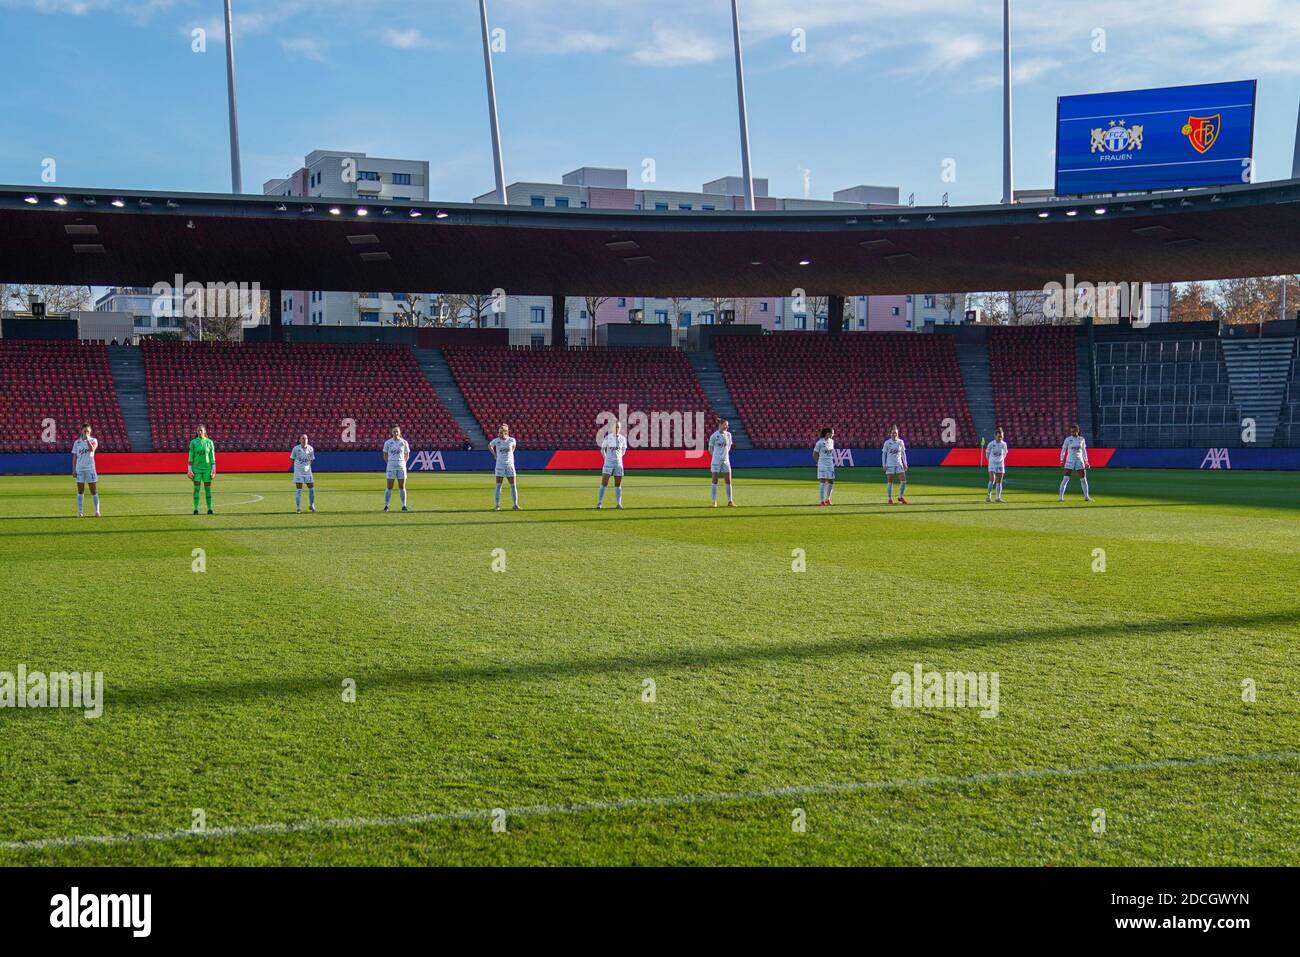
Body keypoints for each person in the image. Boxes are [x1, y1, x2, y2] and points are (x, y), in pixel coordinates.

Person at [71, 423, 100, 518]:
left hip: (90, 468)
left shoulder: (93, 440)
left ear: (90, 431)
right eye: (84, 431)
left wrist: (87, 439)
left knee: (93, 490)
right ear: (81, 431)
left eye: (87, 431)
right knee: (80, 491)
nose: (86, 432)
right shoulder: (77, 442)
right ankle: (80, 511)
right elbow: (75, 456)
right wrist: (74, 469)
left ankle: (97, 511)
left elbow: (92, 450)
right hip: (79, 469)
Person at [597, 421, 628, 509]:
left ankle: (619, 503)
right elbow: (602, 449)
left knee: (618, 484)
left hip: (618, 464)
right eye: (615, 427)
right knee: (604, 483)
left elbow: (623, 450)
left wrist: (618, 458)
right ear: (612, 428)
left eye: (618, 427)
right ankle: (599, 503)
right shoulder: (608, 438)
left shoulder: (622, 439)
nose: (617, 428)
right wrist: (606, 458)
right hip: (608, 464)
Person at [489, 423, 520, 510]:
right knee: (498, 485)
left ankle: (515, 504)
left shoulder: (512, 440)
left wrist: (510, 455)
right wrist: (494, 455)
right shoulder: (496, 441)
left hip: (510, 465)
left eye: (502, 431)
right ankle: (497, 505)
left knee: (513, 485)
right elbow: (489, 446)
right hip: (500, 465)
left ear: (506, 431)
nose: (500, 433)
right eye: (499, 431)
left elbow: (513, 448)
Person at [1059, 424, 1092, 502]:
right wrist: (1061, 460)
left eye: (1074, 431)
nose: (1072, 433)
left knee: (1083, 479)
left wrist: (1086, 461)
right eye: (1071, 432)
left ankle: (1086, 497)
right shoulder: (1067, 439)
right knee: (1065, 479)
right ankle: (1061, 497)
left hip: (1079, 461)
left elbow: (1084, 451)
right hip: (1069, 461)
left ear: (1077, 431)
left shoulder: (1082, 439)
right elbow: (1063, 450)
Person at [188, 424, 216, 515]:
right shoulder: (193, 442)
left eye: (201, 430)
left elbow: (212, 456)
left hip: (207, 469)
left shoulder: (209, 442)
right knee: (196, 489)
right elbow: (191, 455)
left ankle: (210, 509)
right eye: (198, 431)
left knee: (208, 489)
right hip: (196, 469)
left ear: (205, 431)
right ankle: (196, 509)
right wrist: (189, 469)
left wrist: (213, 468)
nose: (199, 432)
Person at [382, 425, 410, 512]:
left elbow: (407, 454)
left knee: (402, 487)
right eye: (394, 432)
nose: (396, 433)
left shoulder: (404, 442)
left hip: (401, 466)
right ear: (392, 432)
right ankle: (386, 505)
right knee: (389, 487)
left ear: (400, 432)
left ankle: (404, 505)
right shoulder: (387, 443)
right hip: (391, 466)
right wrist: (389, 462)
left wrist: (403, 462)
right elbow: (385, 454)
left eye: (397, 431)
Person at [708, 418, 735, 507]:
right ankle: (714, 501)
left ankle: (730, 501)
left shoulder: (729, 435)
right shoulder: (714, 436)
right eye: (726, 425)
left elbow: (729, 447)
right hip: (716, 461)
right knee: (715, 480)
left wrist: (725, 455)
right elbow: (710, 448)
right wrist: (715, 457)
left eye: (727, 425)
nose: (727, 426)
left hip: (726, 461)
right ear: (720, 425)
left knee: (728, 481)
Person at [882, 425, 908, 504]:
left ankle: (900, 496)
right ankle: (890, 498)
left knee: (903, 481)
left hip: (899, 464)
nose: (894, 434)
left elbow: (903, 453)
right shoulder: (887, 442)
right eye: (893, 433)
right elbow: (884, 454)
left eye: (895, 433)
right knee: (890, 482)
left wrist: (905, 463)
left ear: (897, 433)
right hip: (889, 464)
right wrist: (884, 464)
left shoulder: (901, 442)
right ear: (890, 434)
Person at [291, 433, 316, 513]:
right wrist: (298, 467)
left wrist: (307, 466)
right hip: (298, 472)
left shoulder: (311, 448)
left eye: (306, 438)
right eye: (303, 438)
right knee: (299, 489)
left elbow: (312, 459)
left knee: (312, 489)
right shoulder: (295, 449)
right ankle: (298, 508)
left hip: (308, 471)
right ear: (299, 440)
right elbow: (292, 459)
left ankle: (312, 505)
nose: (305, 440)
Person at [813, 426, 836, 505]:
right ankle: (822, 500)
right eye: (832, 433)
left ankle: (828, 499)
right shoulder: (819, 442)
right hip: (822, 463)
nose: (833, 434)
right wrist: (817, 463)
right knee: (822, 481)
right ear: (827, 433)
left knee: (831, 481)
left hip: (830, 463)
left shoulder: (832, 441)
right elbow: (815, 454)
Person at [985, 428, 1009, 503]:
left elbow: (1005, 453)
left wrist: (1000, 460)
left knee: (999, 481)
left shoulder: (1004, 444)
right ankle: (988, 495)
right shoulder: (991, 444)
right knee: (992, 480)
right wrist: (990, 461)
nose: (1000, 438)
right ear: (995, 436)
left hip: (1000, 464)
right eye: (999, 436)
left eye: (1001, 436)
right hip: (992, 463)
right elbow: (987, 454)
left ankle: (998, 498)